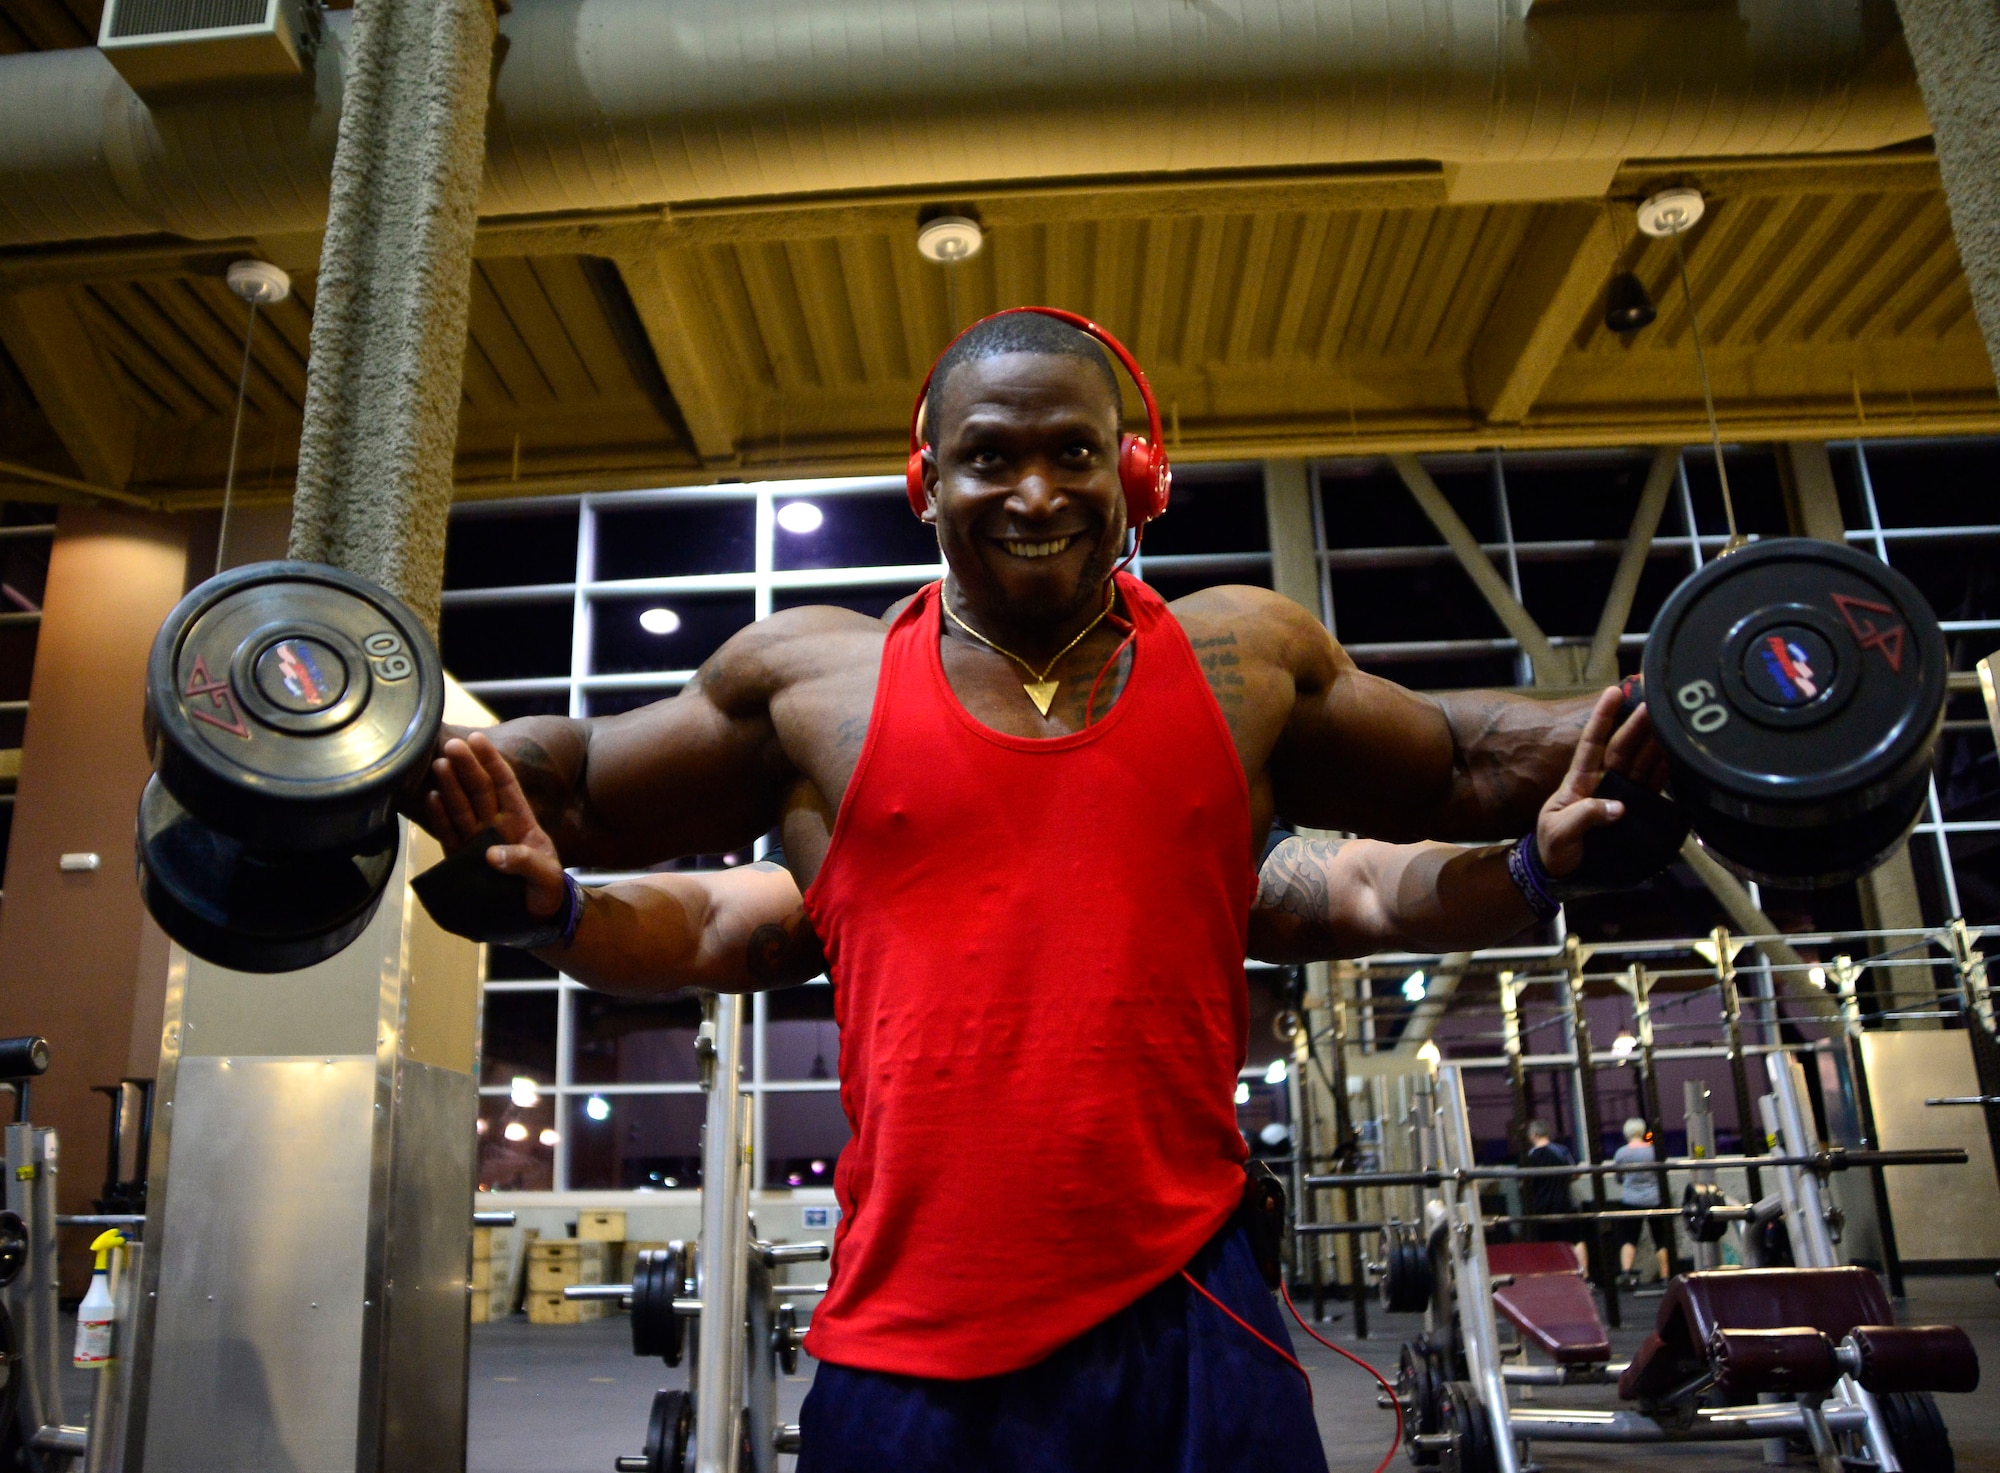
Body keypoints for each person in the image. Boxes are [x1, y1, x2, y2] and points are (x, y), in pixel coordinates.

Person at [413, 307, 1671, 1472]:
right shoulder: (810, 684)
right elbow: (575, 789)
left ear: (1134, 473)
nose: (1033, 492)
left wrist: (1681, 732)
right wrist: (419, 775)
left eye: (1075, 452)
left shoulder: (1244, 663)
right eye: (987, 458)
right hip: (914, 1335)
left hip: (1191, 1306)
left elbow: (1459, 765)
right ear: (927, 481)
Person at [1521, 1118, 1588, 1273]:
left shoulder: (1529, 1157)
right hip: (1565, 1202)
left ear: (1533, 1135)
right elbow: (1575, 1173)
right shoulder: (1561, 1150)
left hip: (1541, 1207)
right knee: (1576, 1239)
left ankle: (1552, 1278)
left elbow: (1526, 1184)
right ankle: (1583, 1275)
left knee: (1546, 1244)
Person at [1613, 1116, 1672, 1285]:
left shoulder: (1622, 1153)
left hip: (1631, 1199)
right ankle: (1665, 1276)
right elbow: (1662, 1173)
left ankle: (1626, 1273)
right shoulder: (1654, 1151)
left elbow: (1618, 1178)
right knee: (1660, 1238)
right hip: (1655, 1199)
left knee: (1628, 1238)